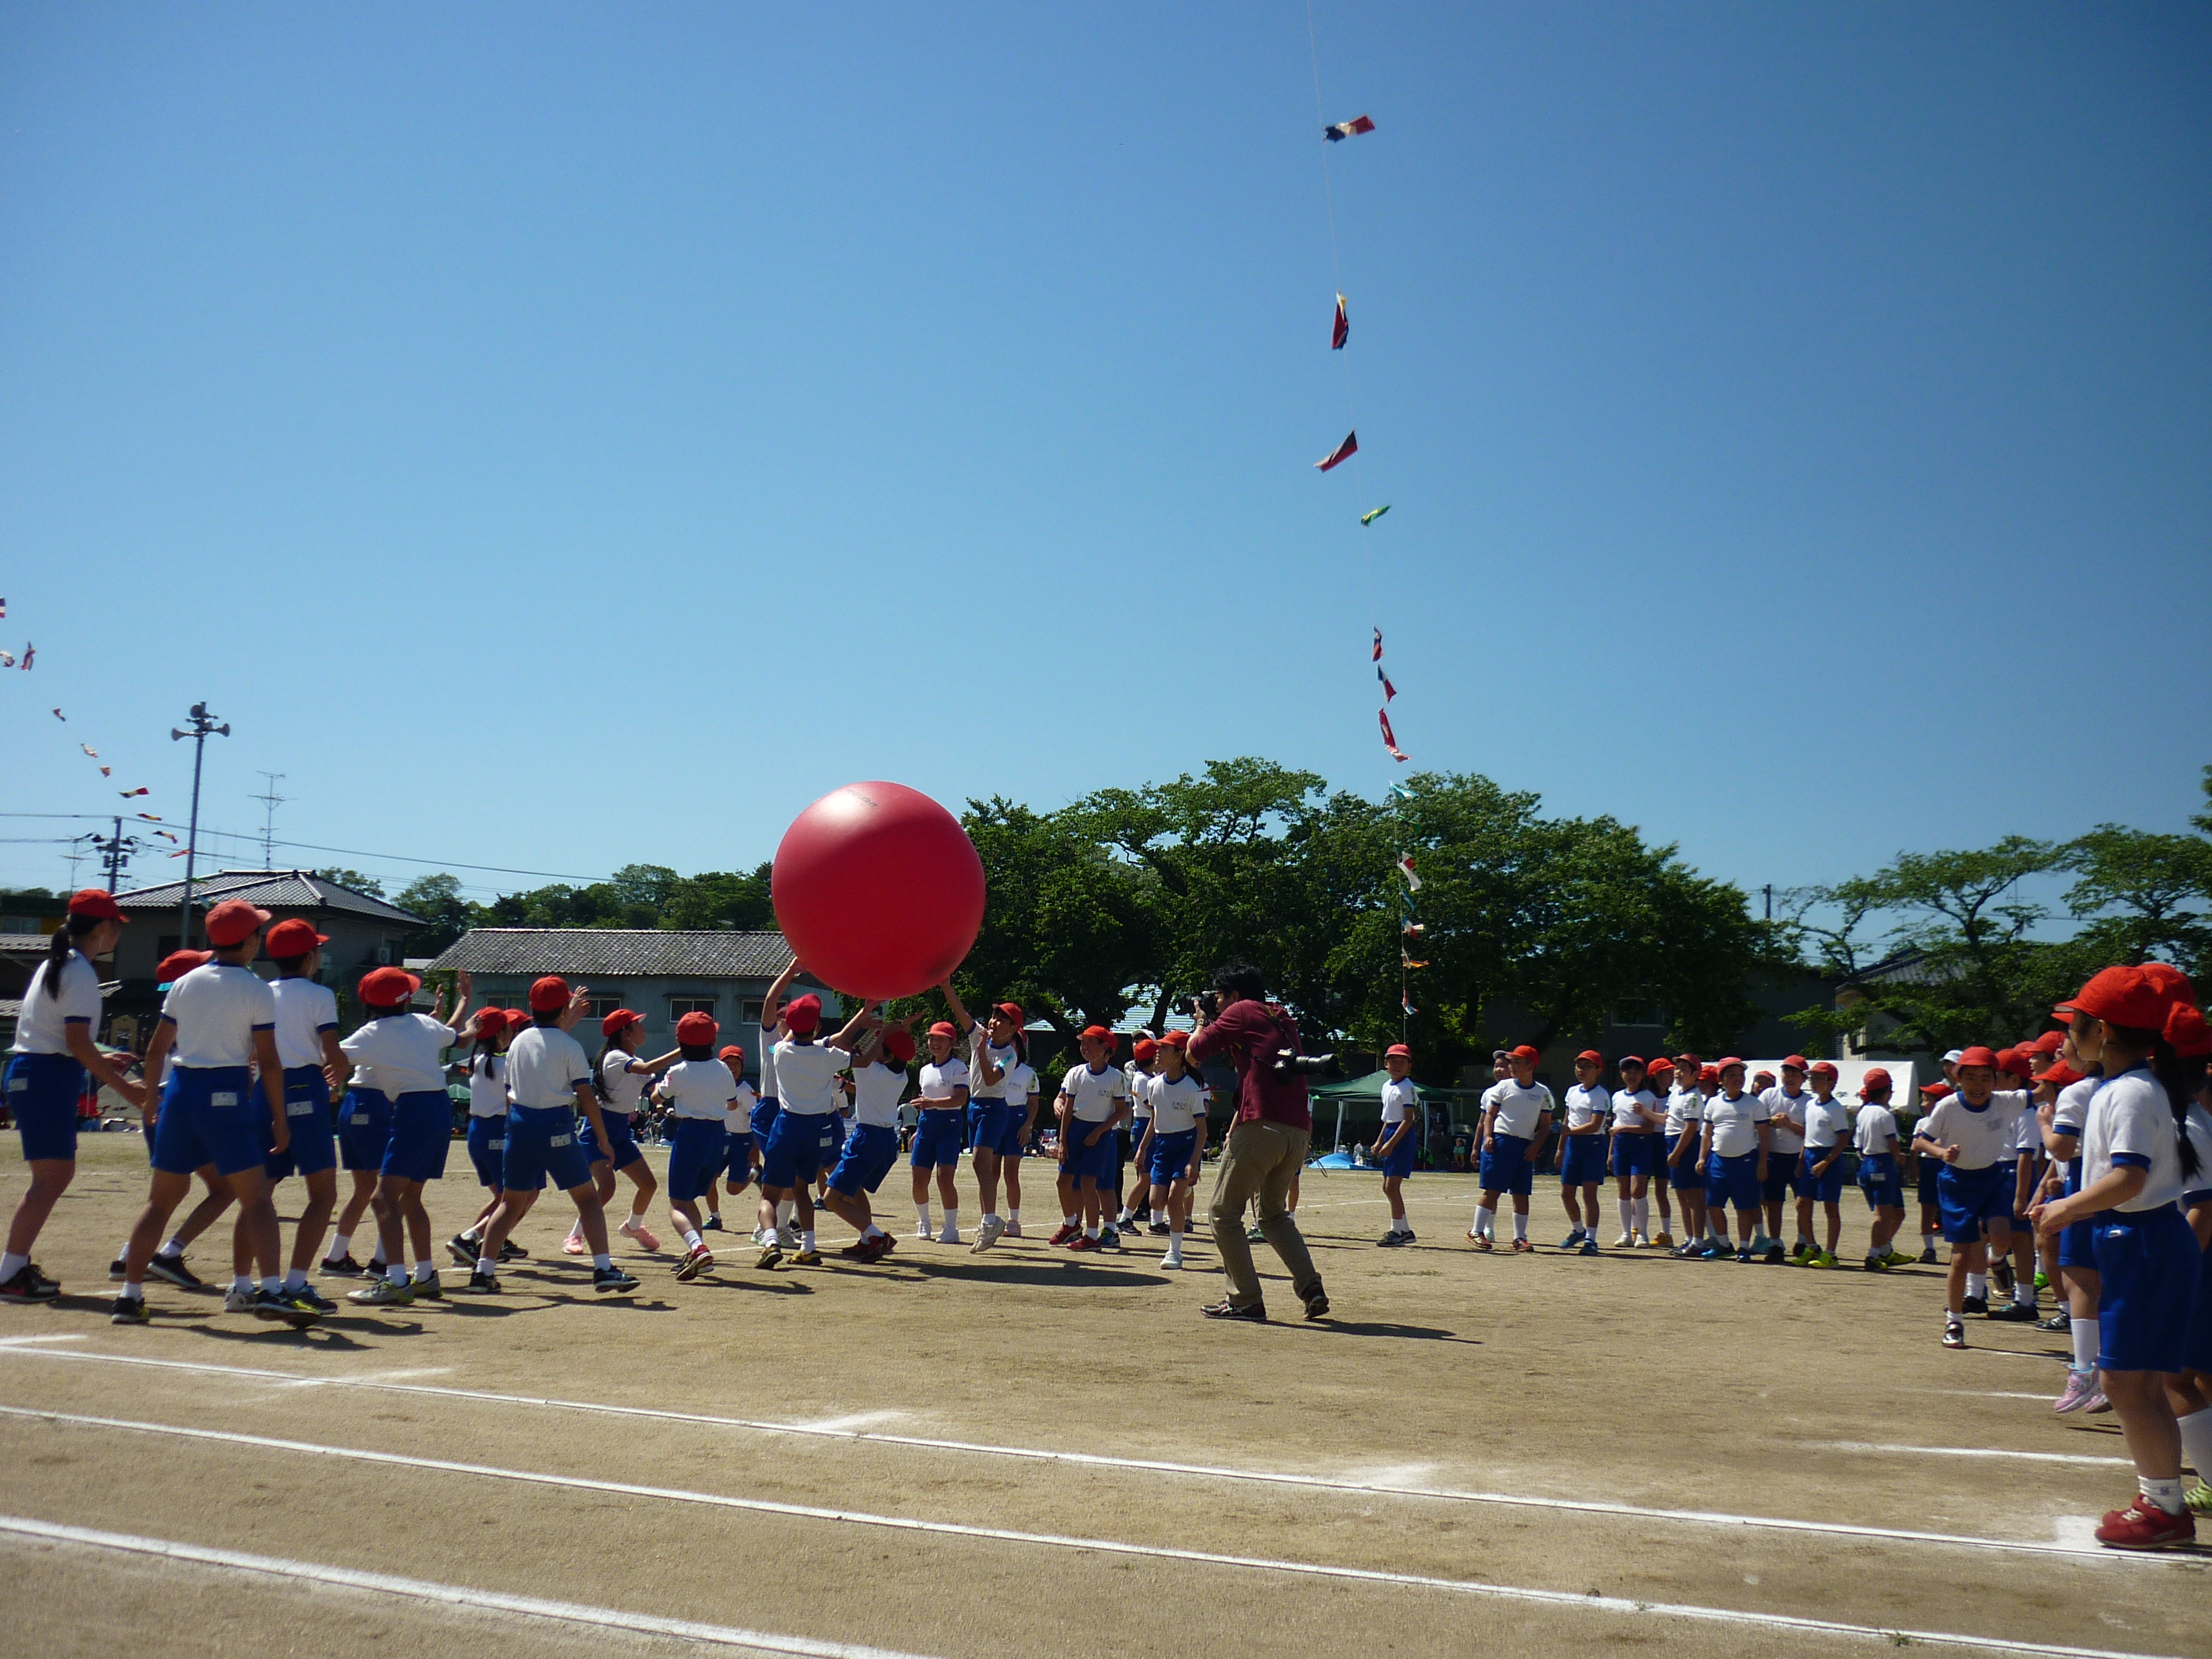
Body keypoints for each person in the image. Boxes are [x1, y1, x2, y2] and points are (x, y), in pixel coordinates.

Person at [2033, 966, 2205, 1549]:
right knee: (2135, 1382)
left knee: (2129, 1383)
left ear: (2101, 1030)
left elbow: (2129, 1178)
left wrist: (2065, 1208)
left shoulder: (2130, 1091)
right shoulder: (2127, 1087)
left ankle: (2163, 1507)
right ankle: (2161, 1501)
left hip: (2144, 1239)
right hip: (2139, 1239)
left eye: (2074, 1024)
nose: (2068, 1035)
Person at [113, 899, 297, 1326]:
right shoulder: (257, 988)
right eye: (258, 934)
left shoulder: (185, 983)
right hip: (225, 1091)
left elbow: (155, 1050)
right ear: (249, 941)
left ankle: (129, 1295)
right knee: (257, 1200)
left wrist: (151, 1100)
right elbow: (269, 1062)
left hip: (180, 1091)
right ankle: (271, 1290)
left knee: (159, 1203)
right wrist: (279, 1117)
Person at [1, 889, 147, 1302]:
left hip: (36, 1072)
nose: (118, 933)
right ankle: (10, 1271)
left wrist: (102, 1056)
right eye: (116, 925)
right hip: (46, 1078)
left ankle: (13, 1267)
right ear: (102, 927)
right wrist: (128, 1091)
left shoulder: (57, 963)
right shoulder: (80, 971)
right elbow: (76, 1043)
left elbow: (62, 1038)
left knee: (53, 1177)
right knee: (51, 1178)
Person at [469, 976, 638, 1296]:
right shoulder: (570, 1046)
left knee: (510, 1203)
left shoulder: (518, 1041)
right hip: (555, 1124)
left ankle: (483, 1272)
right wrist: (603, 1139)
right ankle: (603, 1269)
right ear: (564, 1009)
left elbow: (510, 1089)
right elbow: (586, 1096)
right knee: (588, 1199)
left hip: (518, 1124)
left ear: (532, 1007)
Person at [1187, 962, 1326, 1321]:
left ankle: (1245, 1299)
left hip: (1262, 1127)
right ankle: (1311, 1287)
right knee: (1274, 1216)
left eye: (1220, 996)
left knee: (1223, 1213)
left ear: (1234, 995)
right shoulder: (1278, 1014)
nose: (1217, 1003)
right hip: (1297, 1131)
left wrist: (1201, 1020)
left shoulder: (1241, 1010)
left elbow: (1194, 1052)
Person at [339, 965, 477, 1305]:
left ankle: (397, 1281)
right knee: (410, 1197)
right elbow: (458, 1038)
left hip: (413, 1110)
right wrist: (471, 1022)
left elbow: (332, 1056)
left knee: (382, 1198)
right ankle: (425, 1275)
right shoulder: (424, 1024)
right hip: (438, 1107)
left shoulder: (370, 1033)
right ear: (407, 999)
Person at [255, 919, 349, 1313]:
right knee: (323, 1194)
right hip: (303, 1086)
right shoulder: (319, 995)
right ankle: (295, 1282)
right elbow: (333, 1051)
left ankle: (247, 1284)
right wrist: (339, 1076)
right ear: (309, 957)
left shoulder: (260, 992)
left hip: (263, 1087)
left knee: (259, 1195)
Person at [756, 966, 871, 1269]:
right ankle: (808, 1245)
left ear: (790, 1025)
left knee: (769, 1194)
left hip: (785, 1123)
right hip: (813, 1126)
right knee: (801, 1189)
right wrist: (866, 1012)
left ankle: (770, 1239)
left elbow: (777, 1010)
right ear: (817, 1027)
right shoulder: (823, 1055)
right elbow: (842, 1045)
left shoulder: (779, 1050)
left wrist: (794, 970)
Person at [1912, 1045, 2026, 1349]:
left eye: (1986, 1078)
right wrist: (1941, 1153)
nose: (1979, 1085)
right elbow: (1919, 1142)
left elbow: (2043, 1092)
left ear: (1996, 1081)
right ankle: (1954, 1321)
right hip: (1957, 1183)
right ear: (1957, 1078)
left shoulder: (2004, 1102)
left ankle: (1996, 1260)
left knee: (2002, 1236)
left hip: (1992, 1177)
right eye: (1971, 1078)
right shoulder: (1948, 1107)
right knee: (1962, 1257)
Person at [566, 1009, 674, 1257]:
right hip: (599, 1130)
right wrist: (684, 1050)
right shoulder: (616, 1057)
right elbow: (647, 1068)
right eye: (638, 1025)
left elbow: (654, 1090)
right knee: (607, 1188)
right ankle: (574, 1235)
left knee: (648, 1185)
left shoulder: (632, 1060)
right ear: (625, 1033)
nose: (643, 1029)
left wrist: (666, 1096)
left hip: (620, 1132)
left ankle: (633, 1227)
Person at [651, 1011, 737, 1281]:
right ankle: (696, 1254)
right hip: (717, 1135)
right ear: (713, 1042)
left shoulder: (679, 1071)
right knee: (689, 1200)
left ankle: (698, 1248)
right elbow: (731, 1102)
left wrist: (659, 1090)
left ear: (680, 1043)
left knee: (677, 1204)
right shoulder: (723, 1069)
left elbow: (657, 1097)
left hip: (690, 1134)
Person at [940, 985, 1025, 1252]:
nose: (994, 1021)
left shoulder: (1009, 1055)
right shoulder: (980, 1034)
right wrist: (946, 985)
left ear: (1013, 1029)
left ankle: (991, 1220)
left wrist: (978, 1051)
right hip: (975, 1106)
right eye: (994, 1016)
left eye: (1002, 1019)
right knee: (983, 1169)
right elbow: (960, 1011)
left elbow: (990, 1079)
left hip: (994, 1108)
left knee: (980, 1162)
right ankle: (987, 1221)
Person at [822, 1020, 913, 1262]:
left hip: (867, 1138)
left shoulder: (870, 1070)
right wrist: (898, 1031)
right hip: (887, 1139)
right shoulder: (901, 1076)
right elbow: (875, 1068)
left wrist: (873, 1025)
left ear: (889, 1056)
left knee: (831, 1199)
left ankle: (877, 1237)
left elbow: (844, 1045)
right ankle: (866, 1240)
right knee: (856, 1191)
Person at [1051, 1025, 1129, 1252]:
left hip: (1101, 1133)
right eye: (1083, 1043)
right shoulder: (1076, 1073)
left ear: (1105, 1048)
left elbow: (1121, 1111)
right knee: (1063, 1181)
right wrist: (1063, 1140)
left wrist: (1099, 1131)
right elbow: (1068, 1107)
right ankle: (1071, 1224)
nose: (1085, 1047)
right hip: (1076, 1129)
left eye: (1091, 1042)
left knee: (1089, 1183)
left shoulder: (1116, 1077)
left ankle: (1093, 1235)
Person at [1470, 1045, 1553, 1253]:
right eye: (1512, 1062)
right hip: (1502, 1142)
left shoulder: (1542, 1093)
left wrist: (1536, 1145)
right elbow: (1490, 1115)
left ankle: (1519, 1237)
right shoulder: (1503, 1087)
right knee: (1493, 1189)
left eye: (1517, 1062)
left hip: (1525, 1145)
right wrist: (1488, 1136)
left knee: (1521, 1193)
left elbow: (1545, 1125)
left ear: (1530, 1066)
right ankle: (1476, 1231)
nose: (1512, 1067)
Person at [1144, 1030, 1207, 1267]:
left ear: (1180, 1054)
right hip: (1163, 1146)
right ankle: (1185, 1191)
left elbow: (1202, 1130)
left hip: (1186, 1145)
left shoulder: (1192, 1088)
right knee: (1155, 1202)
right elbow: (1154, 1119)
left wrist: (1193, 1162)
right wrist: (1142, 1149)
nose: (1158, 1052)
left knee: (1173, 1199)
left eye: (1165, 1048)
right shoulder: (1153, 1085)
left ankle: (1175, 1252)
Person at [1697, 1059, 1769, 1263]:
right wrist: (1702, 1158)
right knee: (1713, 1205)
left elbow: (1764, 1136)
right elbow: (1707, 1134)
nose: (1738, 1079)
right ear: (1721, 1080)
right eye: (1732, 1075)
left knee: (1744, 1208)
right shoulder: (1713, 1103)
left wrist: (1762, 1163)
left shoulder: (1754, 1104)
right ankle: (1723, 1244)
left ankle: (1744, 1247)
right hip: (1718, 1162)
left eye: (1741, 1075)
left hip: (1745, 1162)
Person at [910, 1017, 970, 1245]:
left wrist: (932, 1103)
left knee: (945, 1178)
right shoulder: (925, 1070)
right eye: (932, 1039)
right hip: (927, 1125)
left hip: (949, 1125)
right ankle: (924, 1222)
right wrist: (919, 1129)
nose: (935, 1044)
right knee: (919, 1178)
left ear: (952, 1043)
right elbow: (925, 1101)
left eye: (941, 1040)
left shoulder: (958, 1068)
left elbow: (960, 1099)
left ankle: (951, 1228)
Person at [1792, 1061, 1851, 1268]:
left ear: (1831, 1083)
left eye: (1818, 1078)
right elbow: (1808, 1135)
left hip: (1829, 1159)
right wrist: (1801, 1161)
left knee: (1830, 1207)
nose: (1812, 1082)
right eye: (1812, 1078)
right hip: (1810, 1155)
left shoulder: (1836, 1108)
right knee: (1802, 1204)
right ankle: (1811, 1246)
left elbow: (1843, 1139)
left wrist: (1826, 1162)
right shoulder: (1810, 1105)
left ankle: (1831, 1253)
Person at [1851, 1067, 1909, 1270]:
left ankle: (1885, 1249)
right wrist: (1899, 1157)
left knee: (1898, 1212)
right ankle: (1874, 1254)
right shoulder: (1885, 1114)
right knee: (1883, 1214)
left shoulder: (1863, 1112)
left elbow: (1858, 1144)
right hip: (1882, 1163)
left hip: (1867, 1162)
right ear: (1887, 1091)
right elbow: (1892, 1142)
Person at [1761, 1056, 1815, 1260]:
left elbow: (1813, 1133)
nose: (1789, 1078)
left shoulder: (1809, 1102)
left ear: (1803, 1079)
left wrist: (1790, 1124)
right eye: (1786, 1073)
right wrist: (1771, 1121)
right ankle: (1775, 1243)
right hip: (1774, 1157)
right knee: (1773, 1202)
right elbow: (1758, 1122)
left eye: (1795, 1074)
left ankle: (1802, 1241)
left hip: (1800, 1158)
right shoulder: (1769, 1095)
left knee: (1803, 1202)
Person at [1557, 1050, 1609, 1255]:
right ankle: (1578, 1230)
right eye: (1579, 1066)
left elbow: (1595, 1125)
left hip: (1593, 1145)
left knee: (1589, 1194)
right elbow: (1567, 1119)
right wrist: (1561, 1147)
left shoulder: (1600, 1095)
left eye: (1587, 1067)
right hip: (1573, 1145)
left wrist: (1569, 1132)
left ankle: (1591, 1239)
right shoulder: (1572, 1092)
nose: (1582, 1071)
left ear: (1598, 1070)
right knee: (1566, 1192)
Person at [1607, 1054, 1661, 1248]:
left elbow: (1648, 1128)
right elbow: (1615, 1125)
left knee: (1638, 1190)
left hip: (1641, 1145)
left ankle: (1642, 1234)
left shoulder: (1648, 1097)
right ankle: (1626, 1233)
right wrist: (1611, 1153)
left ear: (1643, 1075)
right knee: (1623, 1190)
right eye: (1627, 1071)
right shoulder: (1617, 1097)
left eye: (1636, 1072)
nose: (1631, 1076)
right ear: (1621, 1074)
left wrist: (1623, 1129)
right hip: (1621, 1146)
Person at [705, 1044, 759, 1232]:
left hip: (742, 1142)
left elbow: (755, 1120)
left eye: (737, 1063)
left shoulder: (745, 1091)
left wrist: (755, 1147)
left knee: (733, 1189)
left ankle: (755, 1174)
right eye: (728, 1063)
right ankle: (715, 1217)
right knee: (708, 1179)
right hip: (721, 1138)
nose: (732, 1067)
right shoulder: (714, 1087)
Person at [1374, 1043, 1420, 1245]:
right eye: (1393, 1061)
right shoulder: (1387, 1086)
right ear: (1386, 1064)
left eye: (1402, 1061)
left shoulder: (1407, 1087)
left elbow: (1408, 1120)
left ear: (1409, 1066)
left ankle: (1397, 1231)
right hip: (1391, 1132)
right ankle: (1404, 1230)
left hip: (1402, 1137)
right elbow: (1388, 1118)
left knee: (1392, 1186)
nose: (1397, 1065)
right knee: (1387, 1187)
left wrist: (1391, 1144)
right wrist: (1380, 1141)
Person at [1661, 1054, 1704, 1256]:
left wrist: (1676, 1153)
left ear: (1695, 1075)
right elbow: (1666, 1119)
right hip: (1672, 1141)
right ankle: (1689, 1238)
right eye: (1677, 1068)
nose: (1678, 1073)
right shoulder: (1676, 1093)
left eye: (1684, 1070)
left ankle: (1698, 1241)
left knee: (1693, 1196)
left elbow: (1690, 1128)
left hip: (1687, 1145)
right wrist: (1644, 1112)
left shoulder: (1693, 1097)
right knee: (1681, 1196)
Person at [1911, 1080, 1954, 1263]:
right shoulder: (1922, 1122)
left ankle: (1955, 1247)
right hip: (1928, 1165)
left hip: (1946, 1164)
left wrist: (1929, 1144)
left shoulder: (1952, 1121)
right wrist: (1913, 1166)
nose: (1923, 1104)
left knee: (1950, 1208)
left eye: (1927, 1100)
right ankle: (1929, 1248)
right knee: (1927, 1207)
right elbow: (1915, 1146)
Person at [1643, 1056, 1676, 1247]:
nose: (1672, 1077)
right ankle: (1637, 1230)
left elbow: (1666, 1120)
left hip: (1664, 1142)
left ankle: (1666, 1233)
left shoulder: (1673, 1097)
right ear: (1656, 1076)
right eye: (1667, 1073)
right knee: (1638, 1189)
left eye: (1672, 1073)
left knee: (1661, 1190)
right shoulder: (1646, 1096)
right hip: (1646, 1141)